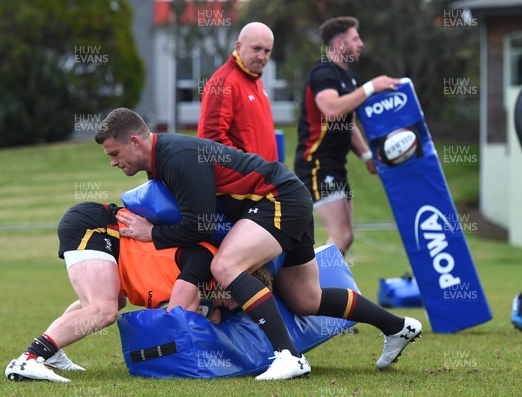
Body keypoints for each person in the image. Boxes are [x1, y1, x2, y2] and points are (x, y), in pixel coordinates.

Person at [95, 107, 422, 380]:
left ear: (135, 141)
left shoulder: (176, 157)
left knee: (225, 266)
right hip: (287, 197)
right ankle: (397, 326)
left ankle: (289, 357)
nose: (112, 161)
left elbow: (199, 224)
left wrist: (151, 233)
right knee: (306, 298)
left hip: (277, 199)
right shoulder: (162, 161)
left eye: (114, 153)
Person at [5, 202, 222, 382]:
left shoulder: (209, 287)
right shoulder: (205, 261)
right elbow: (176, 320)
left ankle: (51, 352)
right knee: (104, 310)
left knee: (111, 303)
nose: (236, 307)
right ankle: (29, 358)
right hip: (97, 227)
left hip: (112, 242)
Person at [294, 16, 403, 254]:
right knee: (341, 236)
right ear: (340, 44)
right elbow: (332, 110)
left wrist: (367, 157)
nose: (361, 43)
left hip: (335, 165)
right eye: (355, 39)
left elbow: (348, 122)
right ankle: (309, 288)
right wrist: (371, 87)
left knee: (346, 238)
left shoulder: (348, 76)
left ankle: (326, 289)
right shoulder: (323, 72)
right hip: (316, 165)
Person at [197, 22, 278, 162]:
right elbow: (211, 140)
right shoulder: (223, 82)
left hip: (265, 179)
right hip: (248, 181)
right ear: (238, 47)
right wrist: (249, 170)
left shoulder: (254, 78)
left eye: (267, 51)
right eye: (256, 48)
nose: (261, 56)